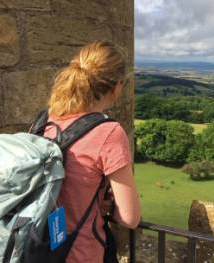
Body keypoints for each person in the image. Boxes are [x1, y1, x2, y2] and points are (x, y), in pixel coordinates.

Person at [43, 41, 141, 263]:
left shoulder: (46, 122)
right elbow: (130, 217)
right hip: (81, 253)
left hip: (40, 249)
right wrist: (107, 208)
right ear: (116, 86)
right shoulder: (109, 133)